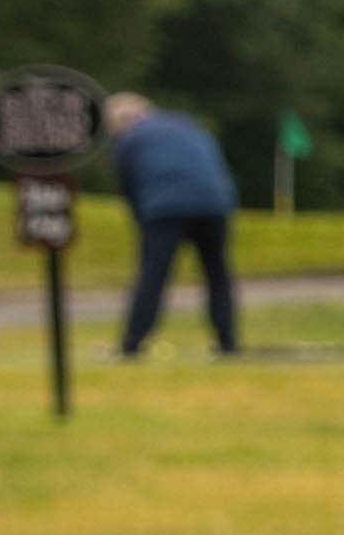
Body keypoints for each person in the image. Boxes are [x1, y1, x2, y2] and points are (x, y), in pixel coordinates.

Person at [100, 90, 243, 359]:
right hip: (215, 203)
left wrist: (141, 223)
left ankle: (131, 345)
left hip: (164, 208)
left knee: (152, 276)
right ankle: (228, 343)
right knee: (217, 275)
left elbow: (128, 188)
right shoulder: (188, 125)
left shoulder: (129, 139)